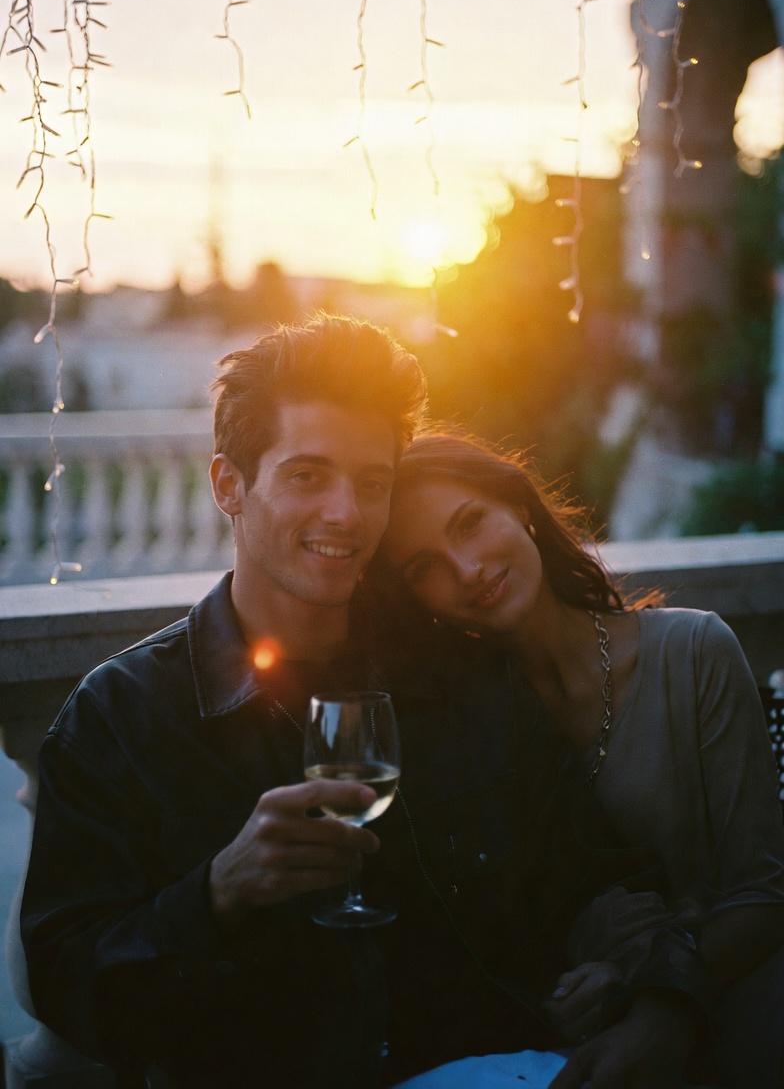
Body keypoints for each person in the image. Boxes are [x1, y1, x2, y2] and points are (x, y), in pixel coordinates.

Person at [22, 316, 704, 1089]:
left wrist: (658, 1002)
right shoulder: (121, 717)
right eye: (308, 476)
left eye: (371, 483)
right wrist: (220, 890)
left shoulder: (465, 678)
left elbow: (595, 874)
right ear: (228, 486)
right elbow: (69, 987)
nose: (347, 513)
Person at [368, 427, 784, 1086]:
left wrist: (659, 1003)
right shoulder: (462, 722)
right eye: (425, 567)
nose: (467, 568)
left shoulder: (693, 652)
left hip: (730, 1004)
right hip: (573, 1035)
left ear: (520, 508)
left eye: (471, 523)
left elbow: (764, 892)